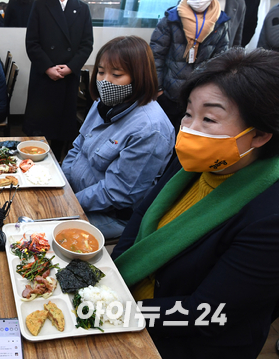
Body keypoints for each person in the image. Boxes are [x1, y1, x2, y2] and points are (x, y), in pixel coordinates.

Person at [112, 48, 279, 359]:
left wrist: (113, 312)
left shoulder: (269, 216)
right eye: (188, 113)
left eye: (209, 118)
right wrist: (112, 276)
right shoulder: (199, 160)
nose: (189, 129)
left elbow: (206, 313)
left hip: (185, 342)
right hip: (130, 303)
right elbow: (141, 217)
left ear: (259, 135)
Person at [61, 36, 175, 240]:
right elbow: (78, 146)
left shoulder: (150, 128)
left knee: (40, 227)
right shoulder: (103, 104)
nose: (105, 81)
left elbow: (118, 192)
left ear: (139, 76)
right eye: (101, 72)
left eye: (116, 74)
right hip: (76, 195)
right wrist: (62, 185)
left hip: (110, 214)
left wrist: (68, 202)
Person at [23, 0, 94, 161]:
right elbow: (32, 42)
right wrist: (48, 67)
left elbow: (87, 44)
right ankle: (34, 162)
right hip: (44, 76)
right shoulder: (40, 4)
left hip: (68, 78)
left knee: (61, 130)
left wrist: (71, 67)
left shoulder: (82, 8)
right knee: (39, 129)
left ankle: (57, 164)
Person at [151, 0, 229, 133]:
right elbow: (155, 55)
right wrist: (158, 89)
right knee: (163, 134)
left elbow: (222, 61)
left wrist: (213, 94)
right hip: (168, 94)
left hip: (199, 96)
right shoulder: (171, 18)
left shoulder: (220, 21)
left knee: (188, 136)